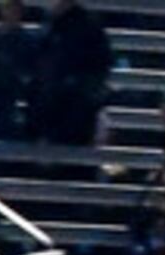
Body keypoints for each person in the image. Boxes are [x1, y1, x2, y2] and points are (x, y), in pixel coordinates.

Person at [30, 0, 110, 147]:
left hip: (76, 117)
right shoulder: (47, 25)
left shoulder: (88, 26)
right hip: (46, 115)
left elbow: (97, 73)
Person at [0, 0, 40, 139]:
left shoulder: (27, 40)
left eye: (15, 9)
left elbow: (32, 68)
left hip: (19, 92)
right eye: (8, 8)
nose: (12, 13)